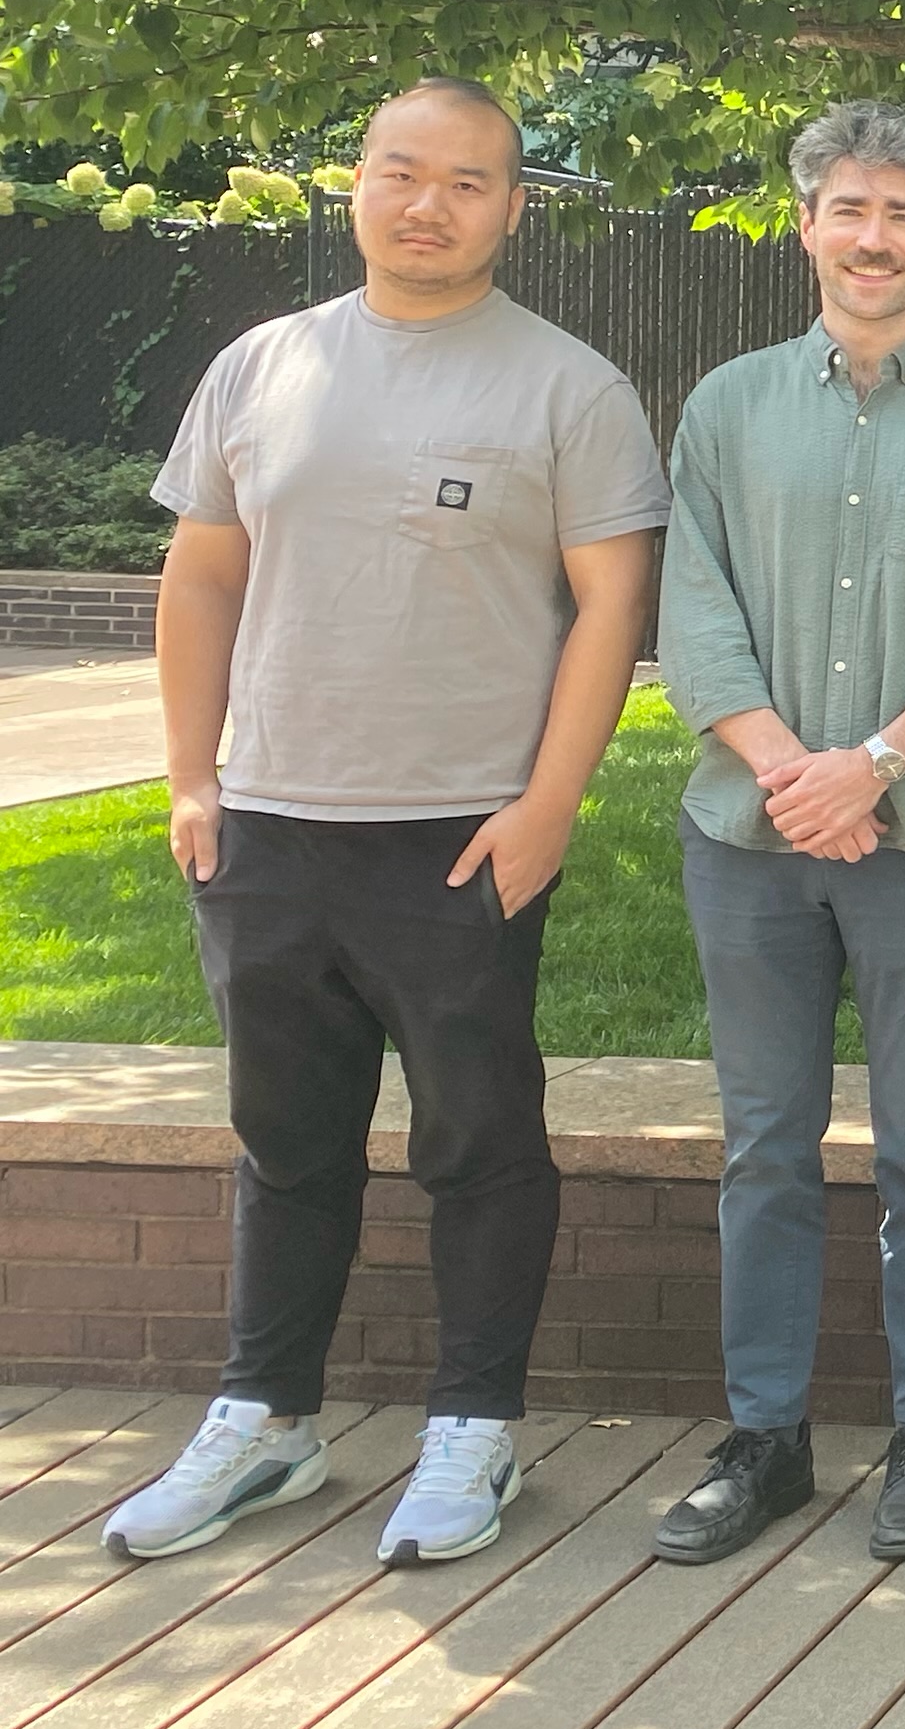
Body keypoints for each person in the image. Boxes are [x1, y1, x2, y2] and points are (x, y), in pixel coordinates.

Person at [105, 81, 667, 1573]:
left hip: (461, 836)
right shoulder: (261, 365)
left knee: (478, 1139)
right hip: (270, 824)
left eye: (468, 183)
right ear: (353, 185)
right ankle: (266, 1419)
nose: (430, 205)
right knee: (286, 1142)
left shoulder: (569, 389)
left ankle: (474, 1429)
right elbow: (203, 574)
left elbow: (612, 605)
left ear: (513, 209)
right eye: (403, 174)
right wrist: (192, 774)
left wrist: (550, 804)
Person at [649, 103, 905, 1569]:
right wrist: (793, 775)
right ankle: (764, 1437)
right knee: (763, 1145)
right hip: (749, 835)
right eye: (849, 208)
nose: (873, 237)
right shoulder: (727, 406)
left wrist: (874, 766)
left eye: (902, 215)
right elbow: (694, 613)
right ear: (807, 224)